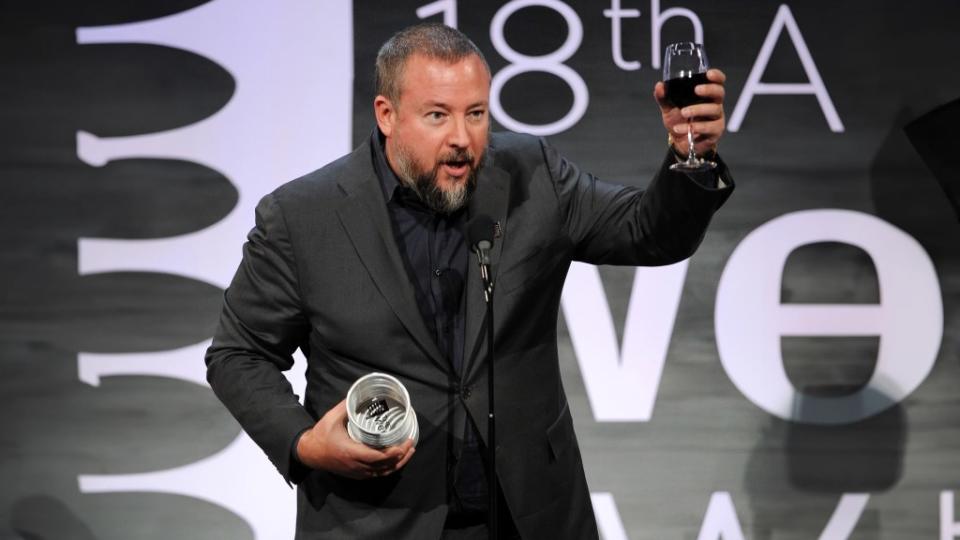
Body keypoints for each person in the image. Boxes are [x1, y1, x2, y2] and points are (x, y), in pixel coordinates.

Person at [205, 22, 732, 539]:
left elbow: (650, 234)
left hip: (527, 514)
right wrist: (303, 444)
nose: (462, 138)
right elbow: (238, 353)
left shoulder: (532, 175)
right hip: (378, 518)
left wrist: (693, 154)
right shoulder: (303, 217)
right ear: (387, 115)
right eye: (437, 115)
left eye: (475, 114)